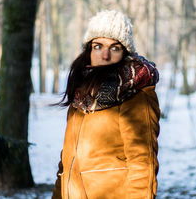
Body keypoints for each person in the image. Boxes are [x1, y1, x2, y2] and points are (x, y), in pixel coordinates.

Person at [52, 10, 160, 199]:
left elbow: (143, 166)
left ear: (125, 52)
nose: (105, 55)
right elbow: (66, 164)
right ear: (89, 50)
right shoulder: (80, 99)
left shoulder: (135, 96)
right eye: (98, 46)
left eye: (114, 48)